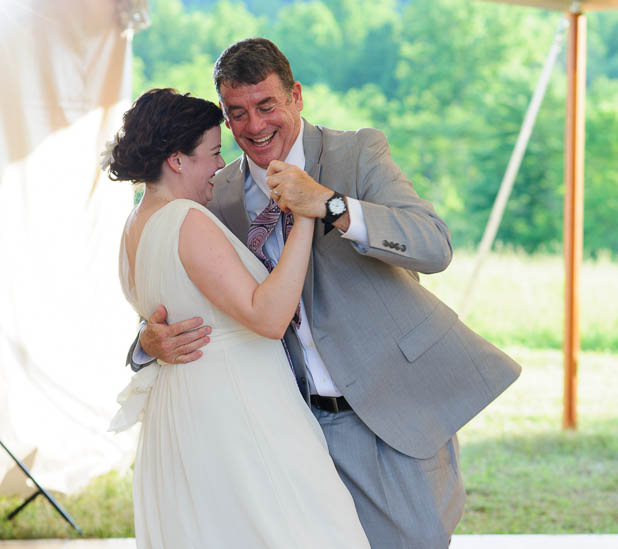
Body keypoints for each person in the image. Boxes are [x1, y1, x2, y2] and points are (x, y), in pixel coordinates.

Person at [132, 38, 522, 548]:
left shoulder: (357, 152)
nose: (254, 126)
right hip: (285, 424)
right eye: (237, 114)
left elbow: (434, 246)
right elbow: (183, 287)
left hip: (385, 412)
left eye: (266, 105)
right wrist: (146, 344)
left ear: (296, 96)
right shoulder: (212, 196)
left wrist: (333, 205)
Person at [107, 88, 369, 548]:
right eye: (212, 153)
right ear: (177, 160)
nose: (218, 166)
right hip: (235, 414)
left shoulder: (135, 225)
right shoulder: (186, 219)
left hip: (182, 414)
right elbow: (267, 316)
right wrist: (305, 218)